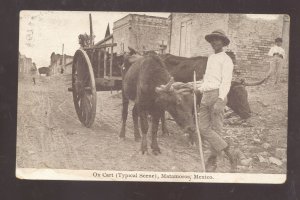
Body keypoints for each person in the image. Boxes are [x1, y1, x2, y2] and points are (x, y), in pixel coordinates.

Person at [195, 30, 239, 172]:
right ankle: (228, 150)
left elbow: (226, 82)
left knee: (216, 129)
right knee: (203, 128)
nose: (214, 42)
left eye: (218, 40)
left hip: (217, 96)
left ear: (223, 43)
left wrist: (220, 100)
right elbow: (208, 80)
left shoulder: (226, 60)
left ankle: (213, 160)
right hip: (206, 96)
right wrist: (200, 88)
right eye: (212, 40)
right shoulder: (211, 58)